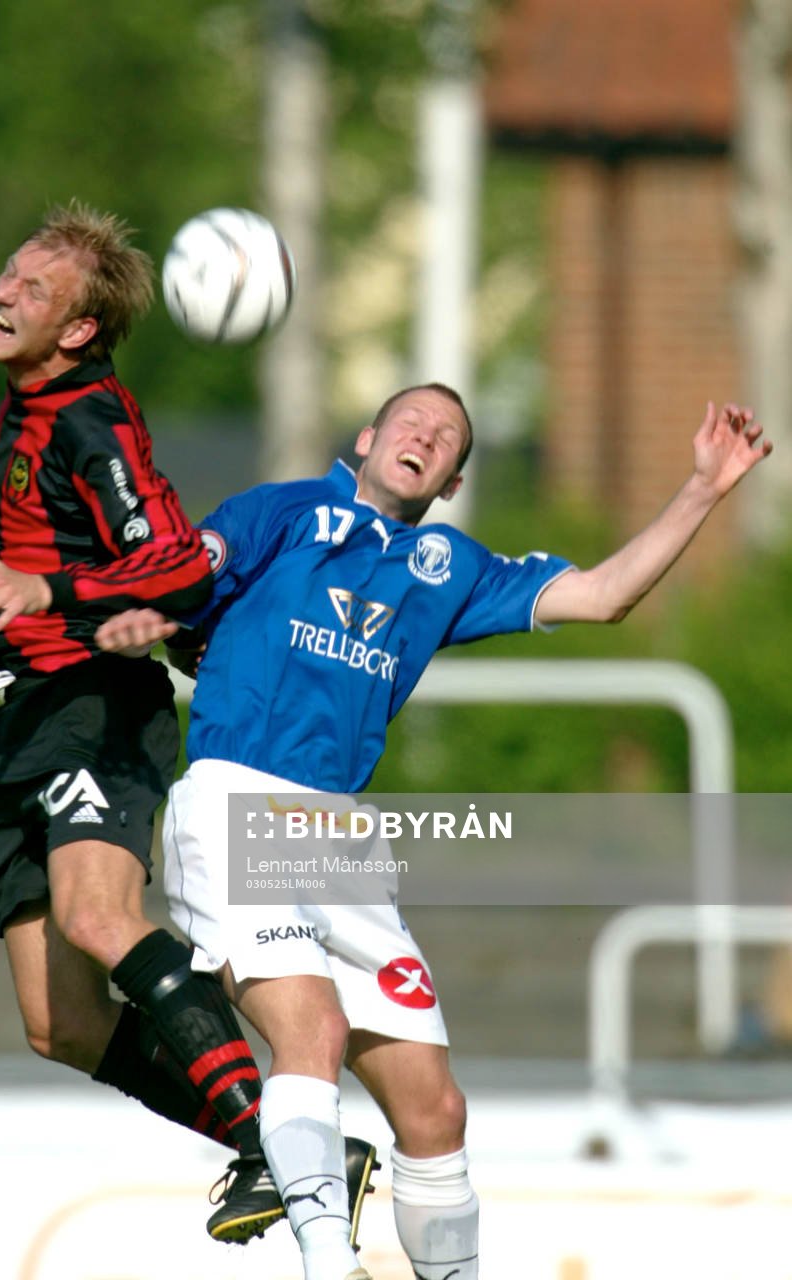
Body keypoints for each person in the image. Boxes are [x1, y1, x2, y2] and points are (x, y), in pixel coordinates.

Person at [96, 381, 771, 1280]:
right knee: (315, 1032)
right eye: (412, 420)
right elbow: (185, 572)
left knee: (436, 1113)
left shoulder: (446, 566)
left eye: (448, 437)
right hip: (235, 801)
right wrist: (147, 611)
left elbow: (603, 595)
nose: (427, 435)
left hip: (341, 838)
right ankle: (328, 1264)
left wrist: (703, 488)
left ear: (451, 481)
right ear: (369, 436)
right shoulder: (285, 510)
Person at [0, 200, 377, 1247]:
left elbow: (175, 558)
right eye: (10, 273)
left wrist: (52, 591)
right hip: (18, 719)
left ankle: (292, 1144)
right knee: (62, 1024)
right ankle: (277, 1145)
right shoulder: (26, 408)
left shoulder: (91, 415)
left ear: (81, 329)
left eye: (36, 290)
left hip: (92, 704)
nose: (5, 293)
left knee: (98, 915)